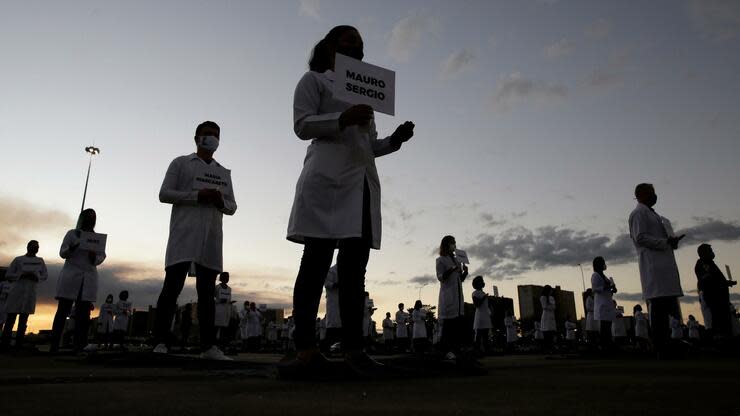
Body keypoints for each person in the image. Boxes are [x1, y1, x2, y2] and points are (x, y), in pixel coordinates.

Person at [281, 25, 416, 377]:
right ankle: (306, 349)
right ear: (328, 48)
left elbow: (368, 144)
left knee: (355, 269)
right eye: (347, 41)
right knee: (315, 263)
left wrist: (394, 142)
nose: (355, 47)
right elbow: (302, 125)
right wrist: (341, 118)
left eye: (359, 45)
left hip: (360, 183)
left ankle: (356, 350)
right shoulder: (313, 81)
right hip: (325, 179)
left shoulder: (365, 92)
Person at [152, 120, 237, 361]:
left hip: (211, 237)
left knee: (207, 291)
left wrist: (221, 202)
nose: (211, 138)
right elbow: (164, 194)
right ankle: (160, 341)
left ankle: (208, 345)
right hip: (184, 234)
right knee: (172, 287)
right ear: (197, 138)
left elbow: (232, 206)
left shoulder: (223, 172)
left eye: (216, 135)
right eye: (207, 134)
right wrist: (197, 196)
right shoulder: (180, 163)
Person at [628, 183, 684, 356]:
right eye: (652, 193)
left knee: (669, 306)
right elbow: (640, 237)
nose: (655, 195)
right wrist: (665, 243)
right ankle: (660, 346)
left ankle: (670, 343)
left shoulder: (654, 215)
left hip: (664, 265)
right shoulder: (638, 213)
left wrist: (671, 241)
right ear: (642, 194)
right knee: (658, 307)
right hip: (653, 266)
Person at [50, 209, 106, 353]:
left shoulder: (97, 238)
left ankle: (80, 345)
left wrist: (95, 258)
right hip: (71, 275)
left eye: (94, 216)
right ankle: (54, 344)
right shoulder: (72, 234)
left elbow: (102, 256)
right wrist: (72, 248)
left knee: (83, 315)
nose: (91, 218)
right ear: (82, 218)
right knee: (63, 311)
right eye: (89, 216)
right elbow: (63, 253)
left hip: (88, 277)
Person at [1, 240, 48, 351]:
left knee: (23, 321)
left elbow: (44, 275)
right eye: (33, 246)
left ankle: (19, 344)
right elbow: (8, 274)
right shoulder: (18, 260)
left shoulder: (40, 261)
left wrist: (36, 277)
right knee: (10, 320)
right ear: (28, 247)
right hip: (16, 292)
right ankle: (4, 344)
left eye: (37, 247)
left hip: (30, 292)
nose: (35, 248)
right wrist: (21, 275)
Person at [436, 235, 470, 363]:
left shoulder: (457, 260)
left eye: (455, 243)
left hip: (458, 296)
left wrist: (464, 272)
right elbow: (441, 277)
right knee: (448, 325)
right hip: (448, 296)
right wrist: (451, 270)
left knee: (457, 324)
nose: (454, 245)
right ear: (446, 245)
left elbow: (459, 279)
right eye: (452, 243)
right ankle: (446, 352)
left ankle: (456, 351)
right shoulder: (440, 260)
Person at [694, 244, 736, 339]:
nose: (712, 253)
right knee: (718, 321)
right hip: (715, 299)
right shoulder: (702, 264)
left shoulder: (710, 263)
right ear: (703, 253)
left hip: (721, 298)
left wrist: (726, 283)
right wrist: (722, 283)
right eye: (710, 250)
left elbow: (716, 280)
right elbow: (708, 281)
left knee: (725, 321)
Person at [591, 257, 617, 352]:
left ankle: (608, 345)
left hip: (607, 302)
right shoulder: (595, 275)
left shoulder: (604, 276)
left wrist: (613, 289)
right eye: (603, 263)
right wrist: (606, 286)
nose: (604, 265)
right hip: (602, 304)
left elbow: (607, 288)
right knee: (604, 326)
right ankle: (604, 346)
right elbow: (594, 289)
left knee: (608, 325)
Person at [323, 265, 342, 351]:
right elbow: (327, 284)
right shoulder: (331, 270)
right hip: (334, 302)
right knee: (333, 326)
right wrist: (338, 284)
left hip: (342, 303)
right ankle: (326, 349)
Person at [471, 276, 492, 354]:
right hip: (479, 316)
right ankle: (477, 350)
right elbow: (477, 304)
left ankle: (486, 350)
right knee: (479, 334)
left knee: (486, 334)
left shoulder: (483, 293)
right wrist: (484, 297)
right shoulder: (475, 293)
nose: (483, 282)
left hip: (485, 315)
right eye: (481, 281)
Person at [214, 272, 232, 350]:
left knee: (224, 330)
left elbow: (228, 299)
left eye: (228, 277)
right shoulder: (217, 287)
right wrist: (219, 301)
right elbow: (212, 298)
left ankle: (221, 346)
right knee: (216, 328)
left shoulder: (229, 289)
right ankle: (214, 345)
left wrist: (229, 302)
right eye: (226, 277)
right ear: (221, 278)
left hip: (226, 311)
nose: (227, 278)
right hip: (218, 310)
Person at [539, 285, 557, 350]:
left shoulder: (551, 298)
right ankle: (547, 348)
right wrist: (551, 306)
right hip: (546, 315)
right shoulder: (543, 297)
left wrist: (551, 306)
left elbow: (554, 306)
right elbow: (545, 306)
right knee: (547, 332)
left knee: (551, 332)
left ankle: (551, 347)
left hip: (551, 315)